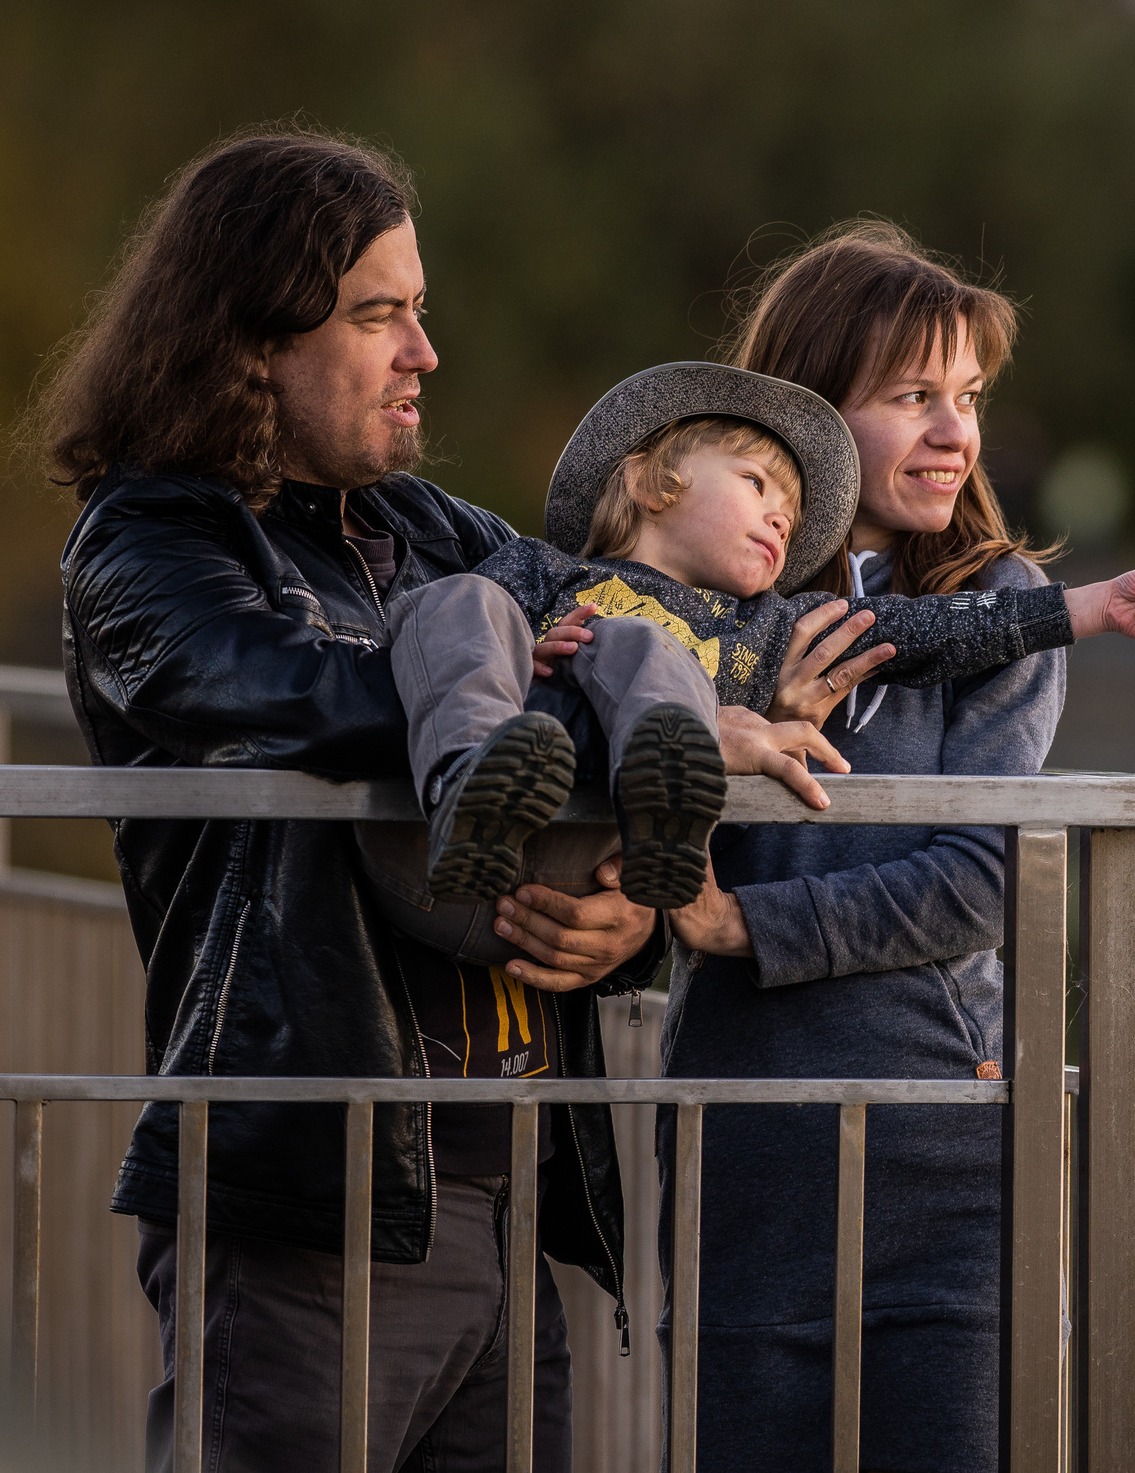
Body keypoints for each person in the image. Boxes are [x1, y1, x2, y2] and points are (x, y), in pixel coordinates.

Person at [45, 129, 672, 1473]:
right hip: (317, 1191)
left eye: (420, 311)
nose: (422, 353)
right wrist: (489, 679)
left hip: (513, 1175)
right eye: (378, 314)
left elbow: (633, 638)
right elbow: (289, 691)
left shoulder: (434, 530)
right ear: (250, 340)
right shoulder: (152, 541)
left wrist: (637, 919)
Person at [491, 219, 1117, 1470]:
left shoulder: (998, 613)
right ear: (808, 415)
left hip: (947, 1144)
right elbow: (621, 813)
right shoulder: (704, 596)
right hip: (743, 1134)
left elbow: (991, 877)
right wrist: (644, 890)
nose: (955, 433)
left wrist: (733, 924)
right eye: (913, 397)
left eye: (970, 399)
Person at [374, 360, 1135, 920]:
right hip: (460, 848)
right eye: (756, 485)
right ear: (651, 481)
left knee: (642, 649)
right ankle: (470, 773)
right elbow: (434, 619)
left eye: (790, 517)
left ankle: (668, 796)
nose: (780, 521)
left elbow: (923, 629)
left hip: (585, 865)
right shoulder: (539, 570)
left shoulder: (761, 629)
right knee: (452, 602)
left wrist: (1085, 606)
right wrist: (518, 652)